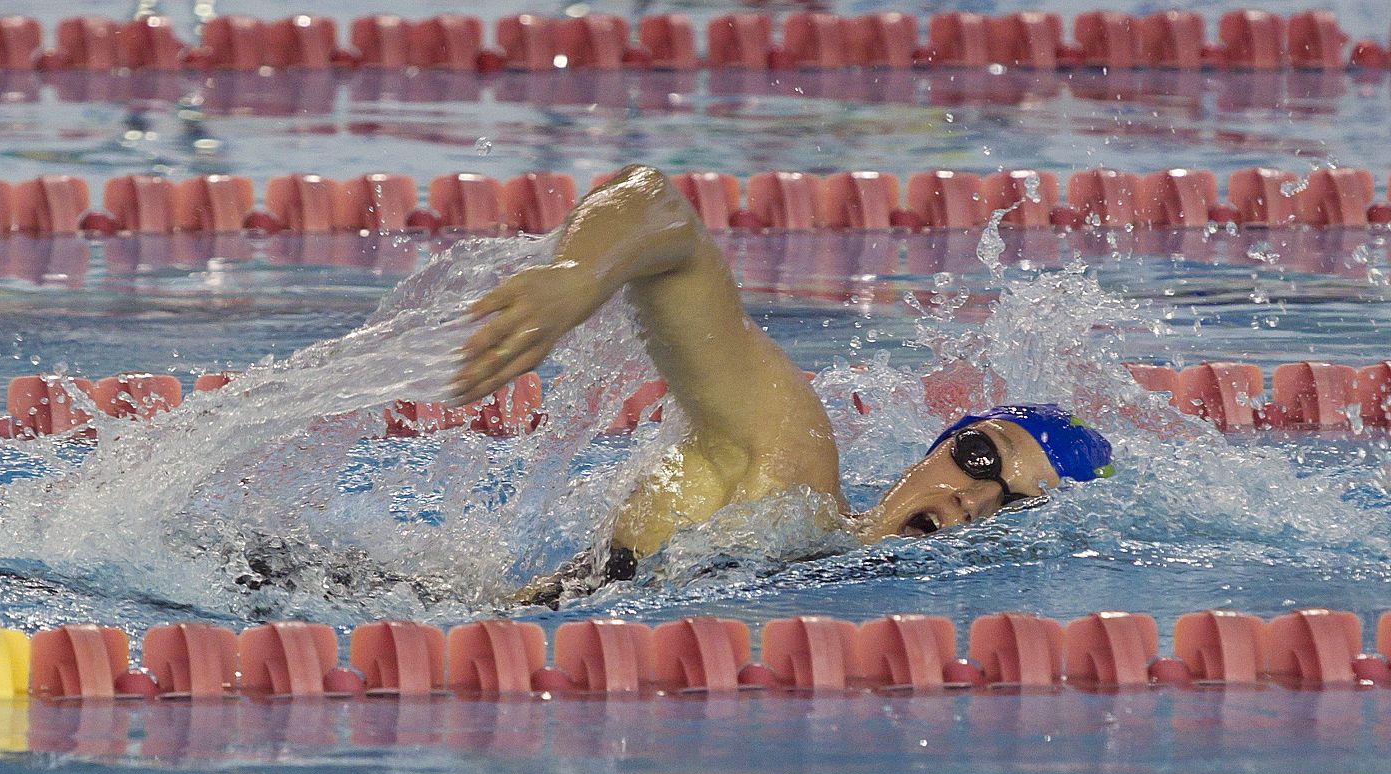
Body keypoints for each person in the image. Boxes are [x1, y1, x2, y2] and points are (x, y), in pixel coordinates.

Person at [453, 164, 1112, 606]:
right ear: (937, 448)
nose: (973, 499)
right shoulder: (787, 470)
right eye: (980, 457)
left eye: (1016, 503)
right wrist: (577, 271)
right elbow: (657, 205)